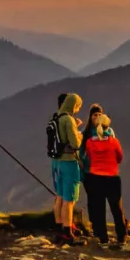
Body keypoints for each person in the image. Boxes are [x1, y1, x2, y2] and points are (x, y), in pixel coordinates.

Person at [80, 106, 126, 246]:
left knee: (99, 209)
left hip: (95, 177)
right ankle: (121, 237)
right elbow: (120, 158)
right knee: (116, 208)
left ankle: (103, 238)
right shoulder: (114, 141)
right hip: (112, 177)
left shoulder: (89, 142)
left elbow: (86, 155)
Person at [48, 93, 84, 243]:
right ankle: (67, 232)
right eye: (77, 106)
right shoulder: (68, 120)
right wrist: (80, 134)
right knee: (69, 199)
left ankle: (60, 227)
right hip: (68, 162)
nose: (77, 109)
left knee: (60, 196)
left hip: (56, 162)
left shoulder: (56, 117)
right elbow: (75, 144)